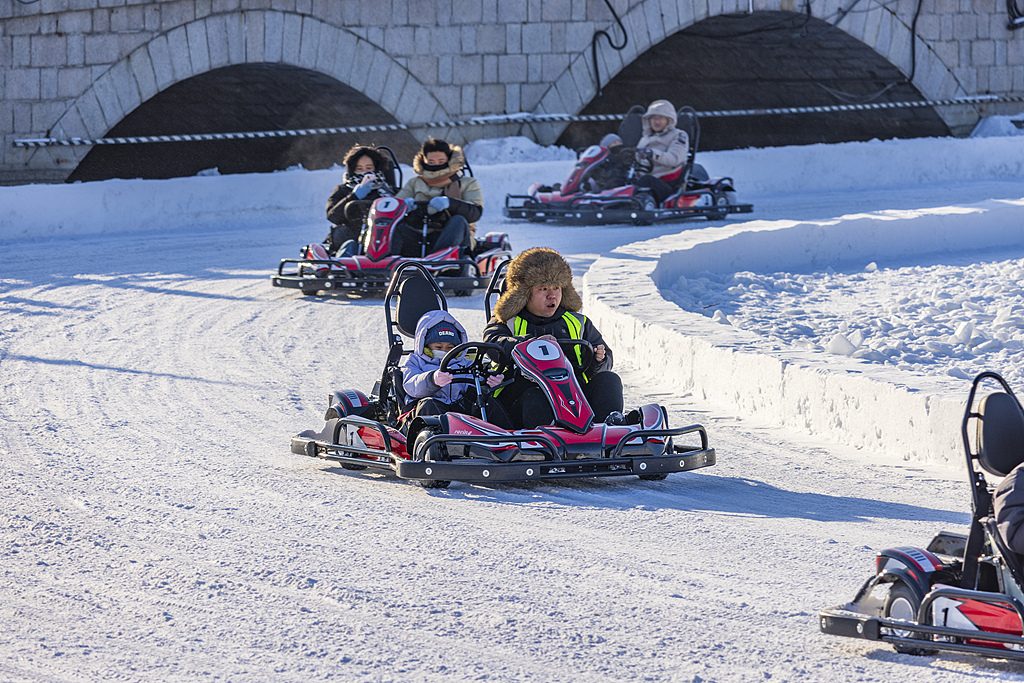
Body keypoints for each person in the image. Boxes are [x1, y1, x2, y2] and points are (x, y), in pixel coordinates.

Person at [482, 247, 624, 429]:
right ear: (523, 293)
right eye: (543, 288)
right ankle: (549, 433)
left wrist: (598, 359)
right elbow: (492, 345)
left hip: (574, 400)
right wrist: (528, 344)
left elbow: (604, 359)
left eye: (556, 288)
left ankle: (608, 427)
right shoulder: (507, 322)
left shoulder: (578, 322)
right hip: (521, 396)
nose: (552, 295)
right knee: (536, 395)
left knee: (609, 379)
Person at [393, 138, 482, 269]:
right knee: (397, 226)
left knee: (458, 221)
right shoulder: (415, 183)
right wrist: (404, 206)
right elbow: (395, 205)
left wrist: (450, 203)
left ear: (449, 159)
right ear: (424, 161)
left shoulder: (467, 183)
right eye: (431, 162)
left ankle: (436, 264)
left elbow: (475, 212)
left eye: (441, 161)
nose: (436, 165)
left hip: (451, 236)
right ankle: (389, 265)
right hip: (419, 235)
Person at [402, 310, 503, 422]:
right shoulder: (415, 362)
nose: (445, 351)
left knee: (487, 402)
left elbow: (474, 388)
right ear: (425, 346)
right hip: (430, 411)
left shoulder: (465, 363)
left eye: (450, 348)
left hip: (459, 410)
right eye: (438, 347)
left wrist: (488, 382)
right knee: (428, 404)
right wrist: (432, 380)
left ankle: (508, 436)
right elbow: (412, 386)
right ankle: (437, 437)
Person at [323, 145, 396, 256]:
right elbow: (333, 216)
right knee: (345, 238)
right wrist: (355, 196)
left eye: (369, 168)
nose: (364, 172)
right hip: (352, 234)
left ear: (376, 168)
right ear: (353, 170)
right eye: (359, 169)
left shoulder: (387, 191)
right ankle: (343, 263)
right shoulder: (343, 190)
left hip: (381, 237)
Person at [632, 99, 690, 205]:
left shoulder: (678, 135)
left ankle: (631, 203)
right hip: (644, 180)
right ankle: (602, 200)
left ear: (669, 119)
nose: (656, 122)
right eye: (653, 118)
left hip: (667, 184)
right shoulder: (645, 138)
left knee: (646, 181)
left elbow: (675, 159)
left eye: (661, 118)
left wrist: (652, 154)